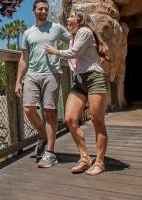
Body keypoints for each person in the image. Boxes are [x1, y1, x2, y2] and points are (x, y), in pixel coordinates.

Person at [45, 10, 110, 176]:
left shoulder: (84, 31)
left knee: (97, 120)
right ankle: (85, 157)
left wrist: (55, 51)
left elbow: (73, 53)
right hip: (80, 81)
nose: (68, 18)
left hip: (94, 78)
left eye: (72, 15)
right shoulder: (74, 36)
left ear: (81, 20)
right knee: (70, 118)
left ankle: (100, 162)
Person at [15, 0, 70, 168]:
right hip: (32, 74)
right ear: (34, 11)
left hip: (52, 74)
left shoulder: (57, 28)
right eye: (40, 9)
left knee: (50, 112)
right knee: (28, 109)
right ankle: (42, 135)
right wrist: (18, 81)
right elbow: (24, 59)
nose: (43, 12)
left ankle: (51, 153)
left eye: (46, 9)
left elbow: (74, 42)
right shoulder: (28, 33)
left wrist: (61, 53)